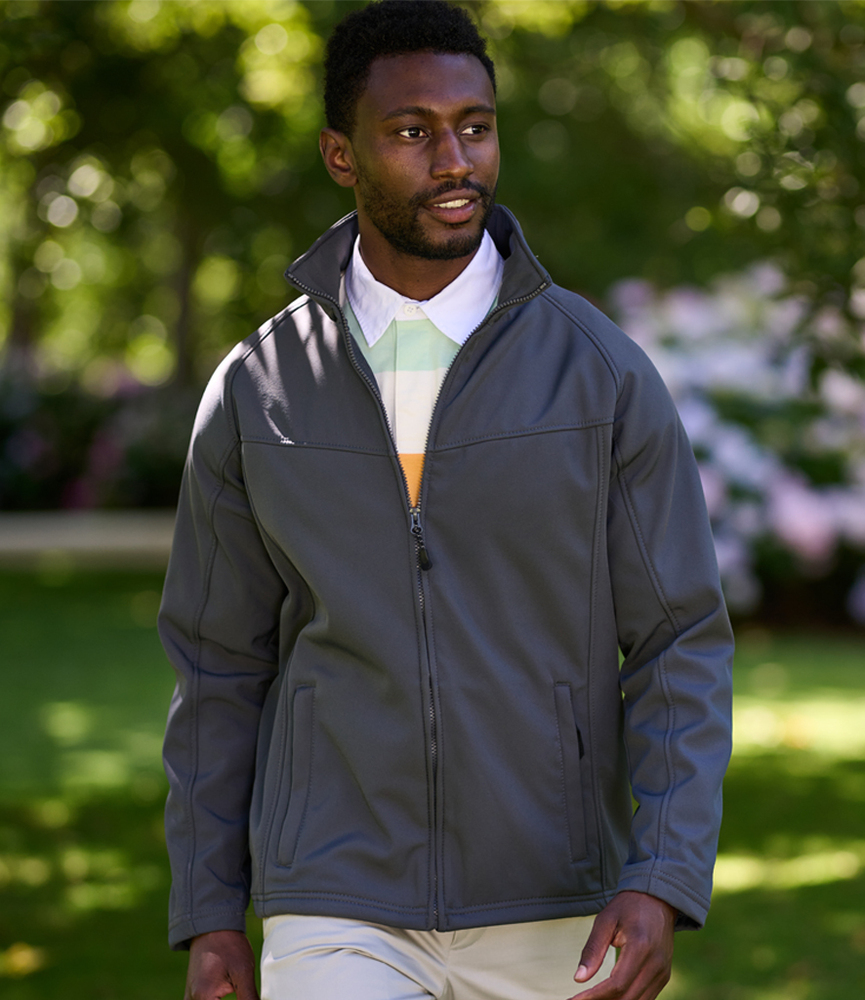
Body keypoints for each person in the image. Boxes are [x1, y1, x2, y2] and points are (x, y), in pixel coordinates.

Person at [159, 2, 734, 999]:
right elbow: (217, 664)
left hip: (555, 896)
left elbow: (678, 639)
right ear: (341, 155)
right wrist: (210, 908)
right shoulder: (260, 389)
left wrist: (659, 874)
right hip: (334, 898)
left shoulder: (598, 374)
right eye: (411, 131)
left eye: (474, 126)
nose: (454, 159)